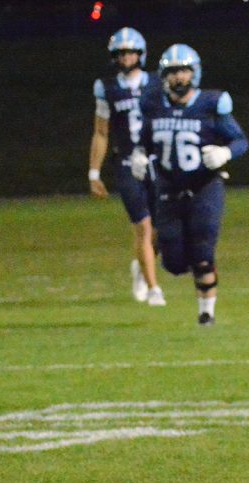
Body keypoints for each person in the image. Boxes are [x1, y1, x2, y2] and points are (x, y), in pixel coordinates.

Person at [131, 44, 248, 325]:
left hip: (205, 187)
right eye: (172, 72)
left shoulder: (211, 104)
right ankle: (147, 258)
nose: (178, 78)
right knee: (174, 264)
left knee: (203, 253)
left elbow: (240, 140)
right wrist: (138, 155)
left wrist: (225, 153)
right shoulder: (153, 105)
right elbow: (144, 141)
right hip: (169, 187)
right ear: (163, 76)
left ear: (194, 73)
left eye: (183, 71)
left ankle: (206, 314)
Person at [88, 27, 166, 306]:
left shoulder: (158, 84)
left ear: (140, 54)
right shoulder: (107, 88)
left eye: (130, 52)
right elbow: (101, 132)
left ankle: (140, 265)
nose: (125, 58)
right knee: (143, 227)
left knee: (160, 229)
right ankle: (154, 288)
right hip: (126, 164)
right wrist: (94, 172)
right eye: (120, 53)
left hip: (157, 163)